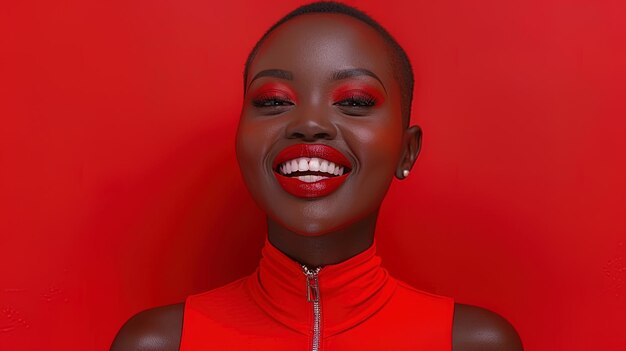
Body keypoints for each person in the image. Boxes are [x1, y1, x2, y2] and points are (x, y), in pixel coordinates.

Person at [111, 2, 523, 350]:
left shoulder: (472, 343)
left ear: (406, 150)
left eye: (356, 101)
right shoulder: (160, 343)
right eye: (273, 101)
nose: (309, 123)